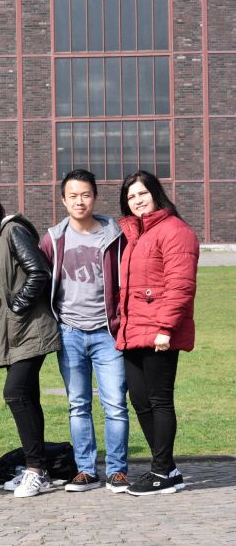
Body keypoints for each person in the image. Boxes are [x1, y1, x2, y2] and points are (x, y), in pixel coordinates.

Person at [40, 169, 130, 493]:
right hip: (70, 332)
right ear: (63, 200)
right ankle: (86, 470)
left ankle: (118, 470)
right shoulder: (53, 239)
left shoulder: (115, 235)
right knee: (78, 403)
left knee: (115, 403)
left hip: (108, 332)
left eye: (86, 195)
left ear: (95, 197)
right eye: (73, 196)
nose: (80, 201)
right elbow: (39, 279)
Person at [116, 170, 199, 496]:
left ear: (156, 193)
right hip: (134, 329)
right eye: (131, 196)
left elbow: (181, 287)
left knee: (159, 399)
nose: (136, 200)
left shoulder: (175, 231)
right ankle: (168, 468)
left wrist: (165, 329)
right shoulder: (137, 234)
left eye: (142, 194)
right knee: (139, 399)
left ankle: (163, 472)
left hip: (159, 331)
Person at [0, 199, 61, 498]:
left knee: (15, 393)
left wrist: (17, 304)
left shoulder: (14, 230)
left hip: (32, 328)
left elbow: (39, 272)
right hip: (17, 330)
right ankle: (37, 467)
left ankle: (34, 469)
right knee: (27, 395)